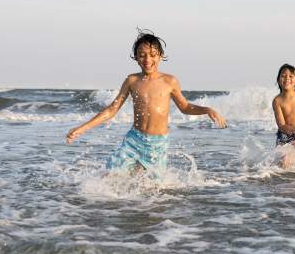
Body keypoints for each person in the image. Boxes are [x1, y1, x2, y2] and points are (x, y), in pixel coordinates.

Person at [66, 29, 227, 174]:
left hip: (157, 144)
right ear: (136, 57)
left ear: (160, 56)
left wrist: (207, 110)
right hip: (134, 140)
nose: (147, 59)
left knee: (153, 190)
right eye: (142, 55)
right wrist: (82, 128)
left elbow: (185, 107)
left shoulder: (169, 81)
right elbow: (111, 110)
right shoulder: (132, 80)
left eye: (152, 54)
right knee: (110, 174)